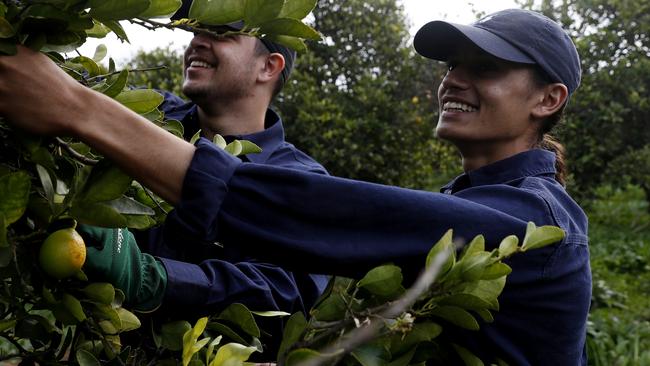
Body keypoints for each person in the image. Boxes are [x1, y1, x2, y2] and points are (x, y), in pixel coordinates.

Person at [0, 8, 591, 365]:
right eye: (452, 65)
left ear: (548, 100)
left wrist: (79, 109)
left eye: (484, 68)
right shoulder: (462, 201)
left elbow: (317, 219)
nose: (454, 79)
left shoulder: (533, 226)